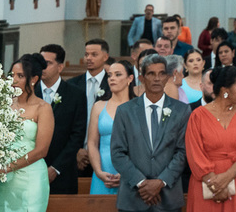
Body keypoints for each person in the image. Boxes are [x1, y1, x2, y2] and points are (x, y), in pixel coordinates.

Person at [112, 55, 192, 212]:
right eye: (151, 74)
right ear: (141, 78)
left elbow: (183, 152)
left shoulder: (181, 110)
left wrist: (161, 181)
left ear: (168, 77)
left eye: (161, 74)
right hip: (133, 197)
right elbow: (117, 152)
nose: (157, 79)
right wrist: (141, 183)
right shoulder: (125, 111)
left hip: (168, 197)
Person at [185, 65, 236, 210]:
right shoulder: (197, 116)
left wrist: (224, 179)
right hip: (206, 183)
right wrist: (214, 184)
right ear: (225, 91)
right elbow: (195, 155)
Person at [0, 55, 54, 211]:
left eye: (20, 76)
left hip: (30, 177)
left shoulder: (42, 108)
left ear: (34, 79)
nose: (14, 80)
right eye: (12, 75)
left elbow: (41, 150)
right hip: (3, 180)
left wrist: (6, 168)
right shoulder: (3, 105)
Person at [36, 43, 87, 196]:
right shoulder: (30, 92)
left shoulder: (75, 95)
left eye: (48, 63)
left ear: (60, 67)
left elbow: (77, 136)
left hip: (63, 171)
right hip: (33, 168)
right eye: (40, 63)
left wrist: (55, 168)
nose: (42, 67)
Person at [87, 59, 134, 195]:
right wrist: (98, 171)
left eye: (118, 75)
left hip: (131, 172)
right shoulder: (99, 106)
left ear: (130, 78)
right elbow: (92, 143)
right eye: (110, 75)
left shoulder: (138, 107)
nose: (112, 78)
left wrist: (127, 172)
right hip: (102, 171)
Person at [72, 38, 111, 173]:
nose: (89, 58)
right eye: (86, 54)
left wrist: (93, 150)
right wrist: (76, 150)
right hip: (76, 153)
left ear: (105, 57)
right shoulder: (73, 84)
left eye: (94, 55)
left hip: (104, 154)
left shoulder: (112, 85)